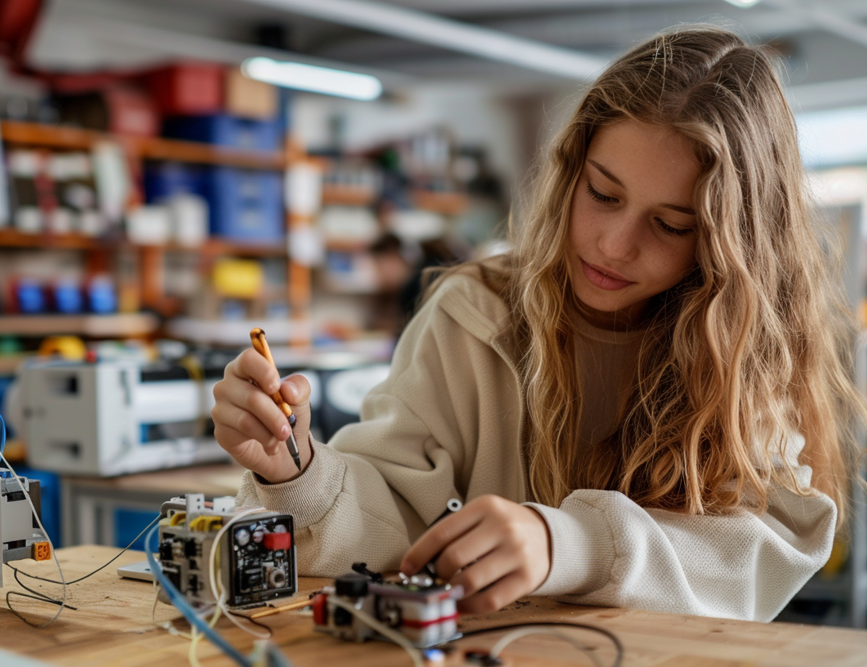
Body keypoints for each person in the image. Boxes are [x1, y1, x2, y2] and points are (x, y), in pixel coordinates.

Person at [211, 26, 866, 622]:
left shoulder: (746, 347)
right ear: (570, 170)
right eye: (603, 193)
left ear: (731, 244)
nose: (613, 244)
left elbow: (757, 556)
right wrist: (297, 472)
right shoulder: (476, 314)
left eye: (670, 224)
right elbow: (394, 509)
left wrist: (567, 544)